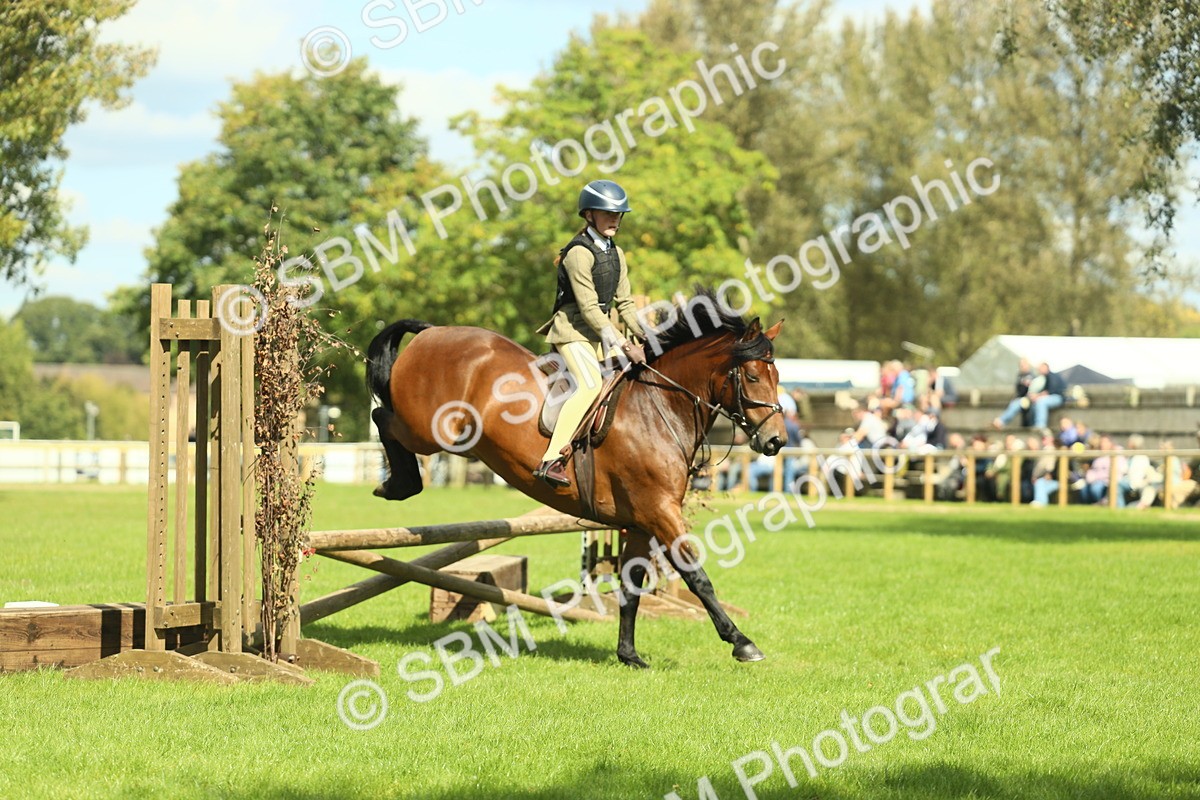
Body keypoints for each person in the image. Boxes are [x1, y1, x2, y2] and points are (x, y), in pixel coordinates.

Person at [533, 179, 646, 487]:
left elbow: (625, 304)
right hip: (573, 332)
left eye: (618, 214)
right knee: (589, 384)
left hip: (600, 334)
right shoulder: (578, 254)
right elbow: (589, 310)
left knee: (637, 376)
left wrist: (646, 335)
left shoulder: (617, 253)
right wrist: (623, 342)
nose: (615, 219)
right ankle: (551, 459)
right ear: (589, 215)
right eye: (607, 213)